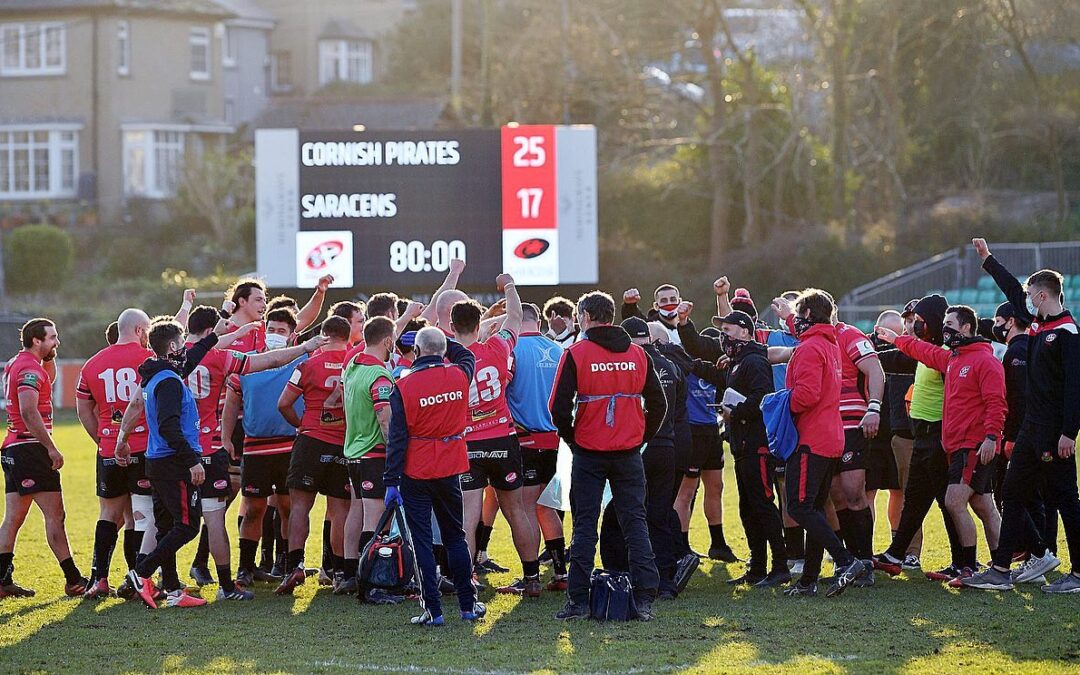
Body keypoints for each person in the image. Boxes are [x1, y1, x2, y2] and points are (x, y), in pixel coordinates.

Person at [964, 238, 1080, 593]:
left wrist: (1068, 433)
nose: (1027, 301)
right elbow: (1013, 289)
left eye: (1032, 296)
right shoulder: (1037, 325)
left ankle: (1078, 574)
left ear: (1044, 296)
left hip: (1052, 434)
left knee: (1065, 499)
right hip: (1031, 430)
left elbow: (1076, 389)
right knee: (1012, 492)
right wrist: (988, 260)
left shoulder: (1068, 334)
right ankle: (1000, 569)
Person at [549, 291, 667, 621]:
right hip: (628, 453)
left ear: (586, 317)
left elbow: (557, 408)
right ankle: (644, 599)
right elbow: (660, 405)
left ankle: (578, 602)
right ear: (611, 316)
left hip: (588, 453)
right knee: (636, 525)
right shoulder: (638, 354)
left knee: (585, 527)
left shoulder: (576, 353)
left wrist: (574, 440)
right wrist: (640, 437)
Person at [877, 305, 1006, 585]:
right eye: (944, 322)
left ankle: (969, 567)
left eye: (950, 323)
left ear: (966, 328)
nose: (945, 328)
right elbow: (922, 352)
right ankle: (1000, 569)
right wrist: (895, 339)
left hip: (973, 445)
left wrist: (991, 438)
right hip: (957, 444)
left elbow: (997, 404)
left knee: (954, 501)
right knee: (984, 505)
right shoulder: (952, 358)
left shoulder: (984, 360)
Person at [383, 326, 486, 626]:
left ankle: (434, 610)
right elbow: (465, 355)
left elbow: (397, 438)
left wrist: (391, 480)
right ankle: (468, 606)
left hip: (416, 470)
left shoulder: (403, 386)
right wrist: (445, 341)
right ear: (442, 352)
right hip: (450, 467)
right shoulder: (459, 374)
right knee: (456, 538)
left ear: (416, 352)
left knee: (422, 542)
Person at [679, 308, 789, 587]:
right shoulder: (736, 362)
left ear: (744, 331)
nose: (722, 336)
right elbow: (714, 375)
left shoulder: (754, 361)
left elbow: (761, 399)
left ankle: (779, 566)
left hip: (757, 446)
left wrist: (734, 411)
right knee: (748, 509)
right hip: (741, 446)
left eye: (727, 330)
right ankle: (758, 567)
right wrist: (685, 358)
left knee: (763, 506)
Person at [451, 275, 542, 597]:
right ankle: (532, 578)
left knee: (468, 515)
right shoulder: (497, 344)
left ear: (452, 325)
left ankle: (467, 581)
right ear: (481, 324)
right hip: (503, 438)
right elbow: (516, 316)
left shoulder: (449, 359)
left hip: (468, 442)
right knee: (516, 510)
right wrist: (511, 286)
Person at [772, 290, 866, 597]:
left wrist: (783, 404)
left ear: (808, 315)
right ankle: (809, 580)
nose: (795, 321)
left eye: (798, 315)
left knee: (799, 506)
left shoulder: (810, 346)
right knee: (814, 507)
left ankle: (845, 559)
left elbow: (807, 395)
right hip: (831, 435)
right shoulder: (829, 343)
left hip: (811, 437)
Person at [122, 318, 219, 608]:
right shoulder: (168, 382)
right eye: (183, 342)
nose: (187, 347)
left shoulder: (158, 374)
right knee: (188, 526)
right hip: (173, 462)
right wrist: (192, 461)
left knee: (167, 528)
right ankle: (141, 574)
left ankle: (174, 591)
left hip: (159, 461)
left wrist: (215, 335)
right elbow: (168, 426)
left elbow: (193, 356)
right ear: (174, 346)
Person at [873, 294, 965, 581]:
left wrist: (897, 342)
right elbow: (899, 358)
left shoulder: (942, 352)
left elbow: (906, 355)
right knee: (914, 500)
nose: (915, 326)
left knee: (946, 502)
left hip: (937, 435)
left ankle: (964, 563)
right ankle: (896, 554)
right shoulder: (927, 349)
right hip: (923, 434)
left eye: (921, 321)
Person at [0, 319, 88, 599]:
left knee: (13, 518)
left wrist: (49, 355)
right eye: (52, 338)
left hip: (14, 448)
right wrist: (50, 447)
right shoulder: (27, 367)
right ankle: (74, 580)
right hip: (30, 449)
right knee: (55, 515)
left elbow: (48, 379)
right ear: (36, 340)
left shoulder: (20, 362)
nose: (57, 342)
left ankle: (2, 581)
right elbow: (28, 411)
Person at [221, 310, 309, 586]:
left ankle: (287, 563)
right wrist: (225, 437)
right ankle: (246, 567)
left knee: (287, 506)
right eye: (271, 328)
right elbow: (231, 403)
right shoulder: (249, 364)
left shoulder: (302, 361)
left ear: (293, 335)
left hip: (290, 445)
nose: (275, 335)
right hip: (256, 445)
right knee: (254, 508)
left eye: (281, 331)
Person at [599, 318, 685, 599]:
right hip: (667, 447)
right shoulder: (670, 365)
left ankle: (619, 575)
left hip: (637, 447)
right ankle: (666, 582)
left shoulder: (631, 364)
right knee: (659, 516)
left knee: (620, 515)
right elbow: (678, 409)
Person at [75, 309, 153, 599]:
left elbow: (83, 408)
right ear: (140, 330)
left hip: (108, 448)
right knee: (138, 517)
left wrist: (101, 437)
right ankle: (136, 581)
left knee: (108, 513)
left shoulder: (93, 364)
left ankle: (99, 579)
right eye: (147, 331)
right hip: (143, 448)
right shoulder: (149, 360)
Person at [275, 316, 353, 594]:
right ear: (348, 336)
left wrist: (302, 425)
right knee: (340, 511)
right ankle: (341, 573)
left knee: (299, 507)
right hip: (344, 443)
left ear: (323, 335)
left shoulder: (308, 364)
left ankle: (295, 565)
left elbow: (283, 403)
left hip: (311, 440)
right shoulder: (354, 361)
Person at [505, 303, 567, 590]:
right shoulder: (558, 350)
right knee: (548, 507)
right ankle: (560, 574)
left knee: (527, 507)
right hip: (557, 440)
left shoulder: (511, 351)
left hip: (526, 439)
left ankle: (530, 577)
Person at [338, 317, 397, 600]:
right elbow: (385, 420)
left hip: (353, 452)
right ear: (387, 341)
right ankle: (371, 583)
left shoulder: (352, 365)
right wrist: (397, 452)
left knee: (356, 512)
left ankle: (349, 574)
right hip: (374, 453)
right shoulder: (380, 376)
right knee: (374, 520)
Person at [865, 310, 917, 568]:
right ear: (876, 330)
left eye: (898, 332)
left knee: (900, 491)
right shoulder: (865, 351)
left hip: (900, 431)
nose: (891, 337)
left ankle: (899, 545)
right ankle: (863, 546)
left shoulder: (910, 350)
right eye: (885, 332)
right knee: (868, 491)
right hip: (872, 433)